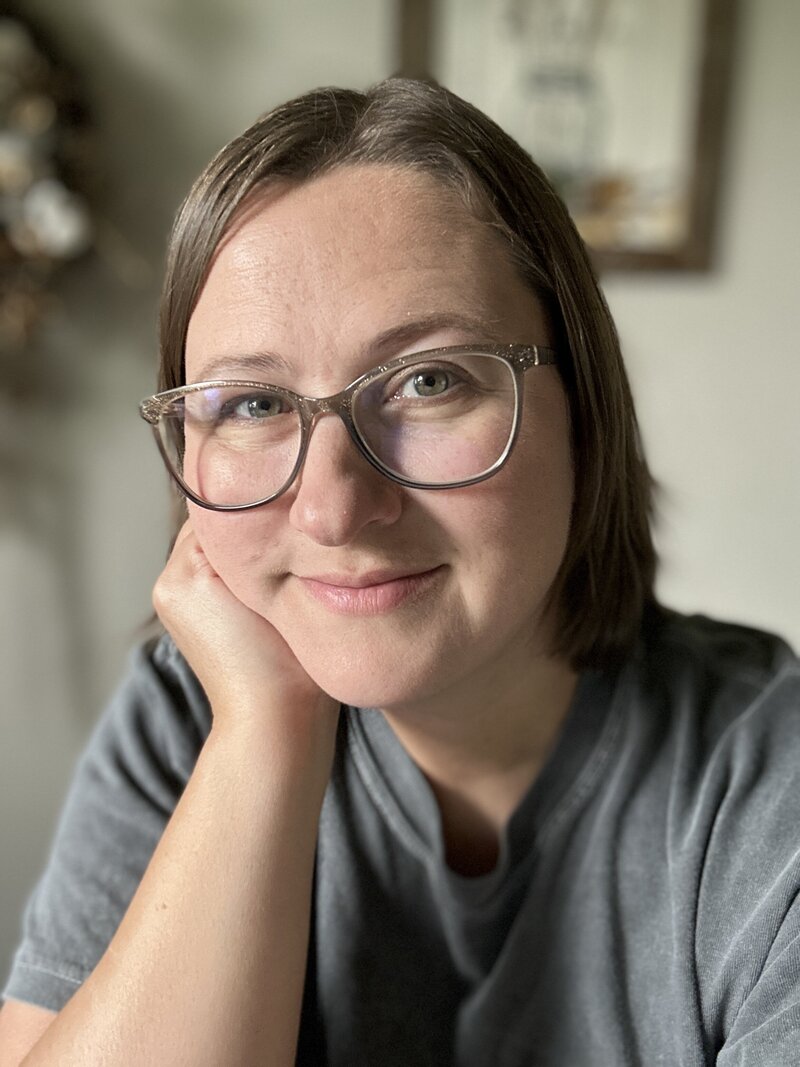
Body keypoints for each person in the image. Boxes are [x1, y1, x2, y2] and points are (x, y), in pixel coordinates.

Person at [0, 77, 798, 1067]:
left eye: (428, 381)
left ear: (583, 411)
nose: (332, 507)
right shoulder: (183, 718)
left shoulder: (766, 783)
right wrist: (265, 732)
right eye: (250, 403)